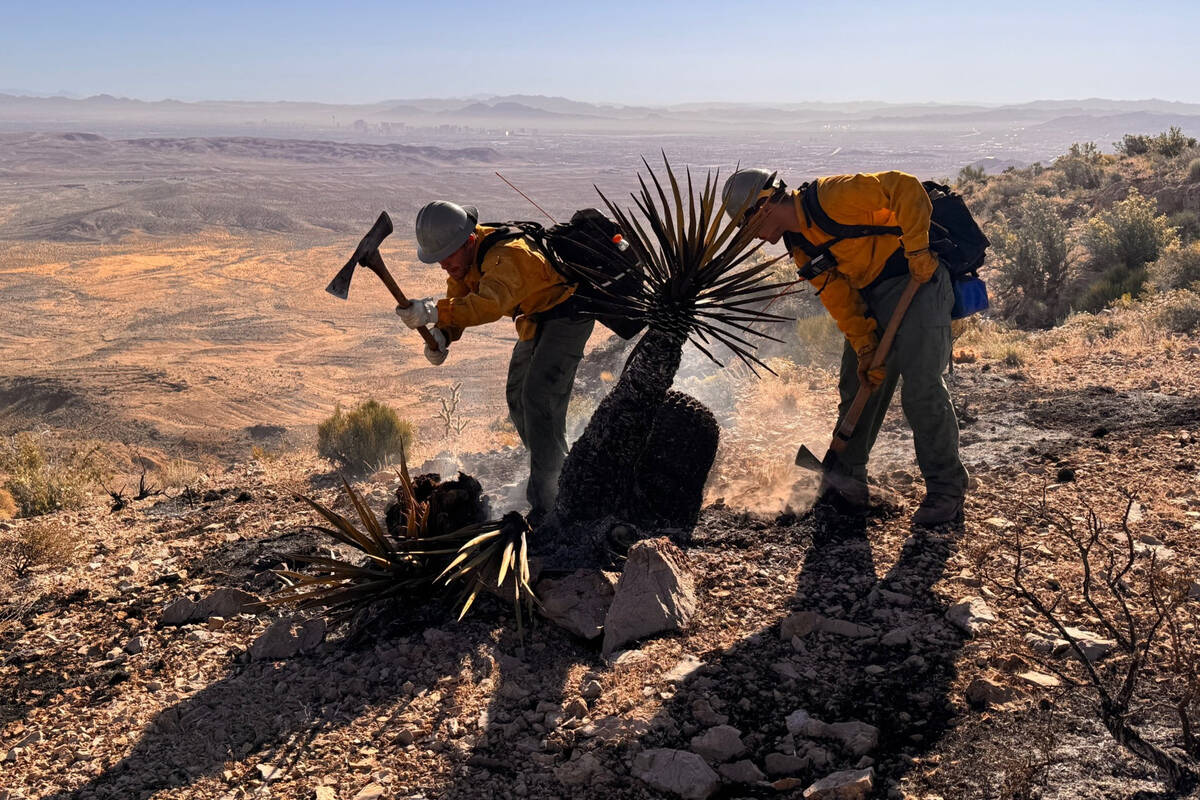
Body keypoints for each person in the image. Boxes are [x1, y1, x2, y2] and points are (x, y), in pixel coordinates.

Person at [722, 169, 968, 526]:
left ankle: (946, 491)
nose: (754, 237)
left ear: (764, 205)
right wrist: (866, 346)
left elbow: (906, 188)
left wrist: (917, 248)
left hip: (918, 279)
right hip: (873, 298)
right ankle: (847, 481)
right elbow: (839, 298)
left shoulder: (833, 196)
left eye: (749, 226)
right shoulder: (801, 247)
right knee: (858, 384)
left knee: (921, 388)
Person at [394, 201, 594, 524]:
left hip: (568, 313)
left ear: (469, 240)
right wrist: (443, 334)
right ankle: (554, 471)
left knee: (538, 397)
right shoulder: (465, 260)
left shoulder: (509, 256)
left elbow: (488, 305)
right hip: (536, 316)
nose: (444, 265)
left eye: (447, 255)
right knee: (518, 397)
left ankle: (551, 504)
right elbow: (459, 298)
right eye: (438, 259)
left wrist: (433, 312)